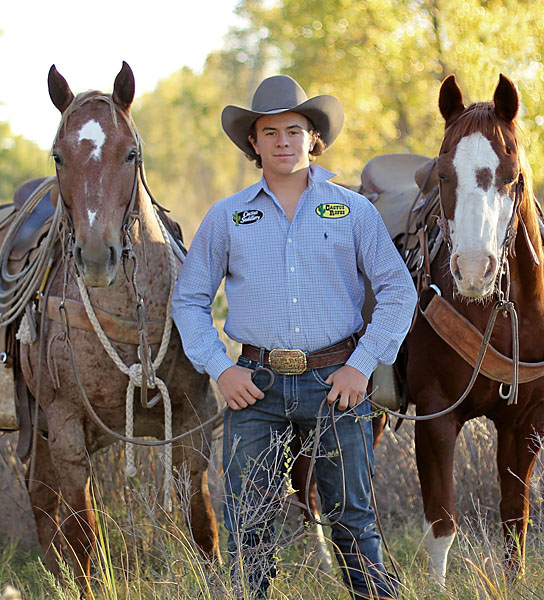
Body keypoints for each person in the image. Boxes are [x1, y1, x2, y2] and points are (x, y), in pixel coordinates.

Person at [171, 74, 417, 599]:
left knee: (352, 518)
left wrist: (362, 365)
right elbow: (189, 300)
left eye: (294, 130)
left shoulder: (353, 211)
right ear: (254, 143)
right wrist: (221, 368)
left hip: (336, 382)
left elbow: (399, 292)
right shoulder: (228, 217)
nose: (283, 141)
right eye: (270, 132)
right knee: (247, 521)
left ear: (313, 138)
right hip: (254, 386)